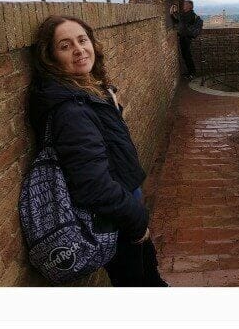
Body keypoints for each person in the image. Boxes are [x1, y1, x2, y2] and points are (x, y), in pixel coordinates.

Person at [28, 14, 168, 287]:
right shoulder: (71, 111)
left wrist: (111, 104)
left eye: (82, 40)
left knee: (149, 275)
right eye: (65, 46)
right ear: (51, 58)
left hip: (124, 206)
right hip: (115, 218)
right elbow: (93, 185)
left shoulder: (86, 92)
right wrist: (137, 219)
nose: (79, 50)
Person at [170, 0, 198, 80]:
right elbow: (179, 22)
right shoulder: (187, 14)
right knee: (186, 56)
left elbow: (182, 20)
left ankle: (192, 73)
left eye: (185, 4)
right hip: (184, 37)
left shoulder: (191, 14)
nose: (183, 6)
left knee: (187, 56)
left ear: (189, 6)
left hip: (186, 38)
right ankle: (191, 72)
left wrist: (175, 12)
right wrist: (173, 14)